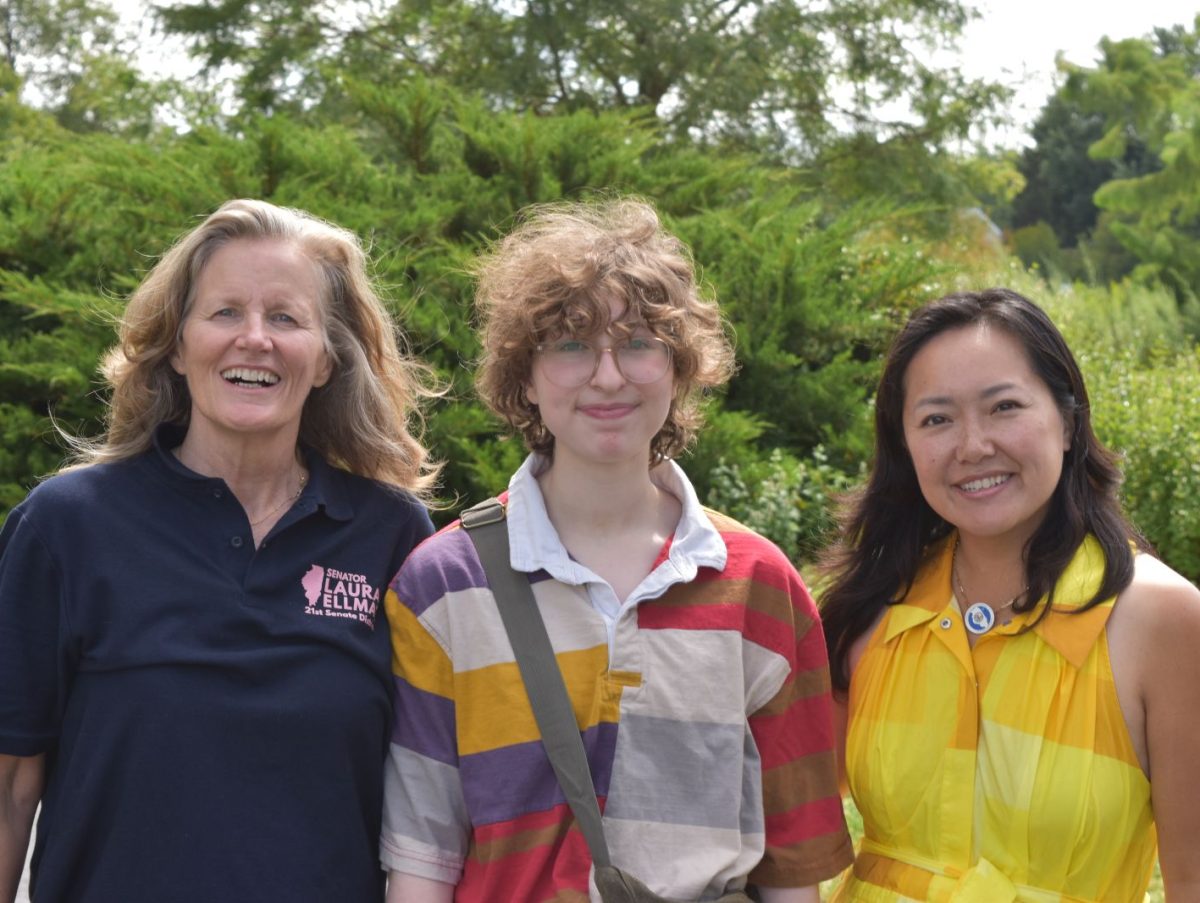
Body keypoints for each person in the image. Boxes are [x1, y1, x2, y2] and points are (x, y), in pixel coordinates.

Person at [378, 198, 852, 902]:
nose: (607, 376)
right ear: (526, 378)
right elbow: (423, 852)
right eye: (570, 345)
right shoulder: (443, 583)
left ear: (679, 367)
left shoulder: (760, 585)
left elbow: (791, 870)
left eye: (638, 343)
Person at [0, 198, 439, 902]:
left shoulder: (392, 536)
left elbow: (435, 802)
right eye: (225, 312)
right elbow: (10, 786)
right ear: (176, 345)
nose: (254, 339)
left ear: (327, 359)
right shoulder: (66, 526)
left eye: (286, 318)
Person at [820, 288, 1200, 901]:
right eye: (936, 418)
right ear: (905, 445)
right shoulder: (868, 608)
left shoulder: (1160, 619)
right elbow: (783, 823)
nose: (972, 446)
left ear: (1070, 422)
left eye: (1004, 407)